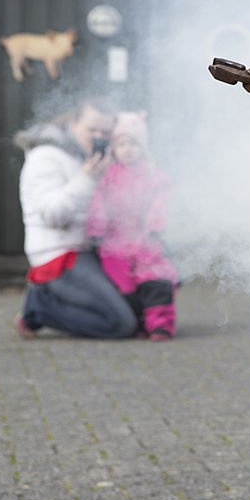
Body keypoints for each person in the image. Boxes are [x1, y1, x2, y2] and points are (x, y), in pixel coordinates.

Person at [14, 98, 139, 339]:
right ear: (72, 123)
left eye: (105, 131)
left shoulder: (88, 157)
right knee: (121, 324)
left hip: (88, 252)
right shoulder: (45, 157)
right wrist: (87, 179)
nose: (98, 136)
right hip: (58, 256)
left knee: (138, 310)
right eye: (92, 130)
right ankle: (39, 307)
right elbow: (52, 214)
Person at [86, 112, 178, 341]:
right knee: (124, 287)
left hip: (147, 239)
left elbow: (162, 199)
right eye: (122, 144)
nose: (127, 150)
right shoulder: (109, 177)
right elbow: (99, 203)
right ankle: (136, 322)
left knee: (155, 282)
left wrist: (156, 223)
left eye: (133, 144)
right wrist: (97, 228)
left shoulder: (153, 175)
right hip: (115, 243)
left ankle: (160, 325)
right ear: (114, 148)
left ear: (143, 147)